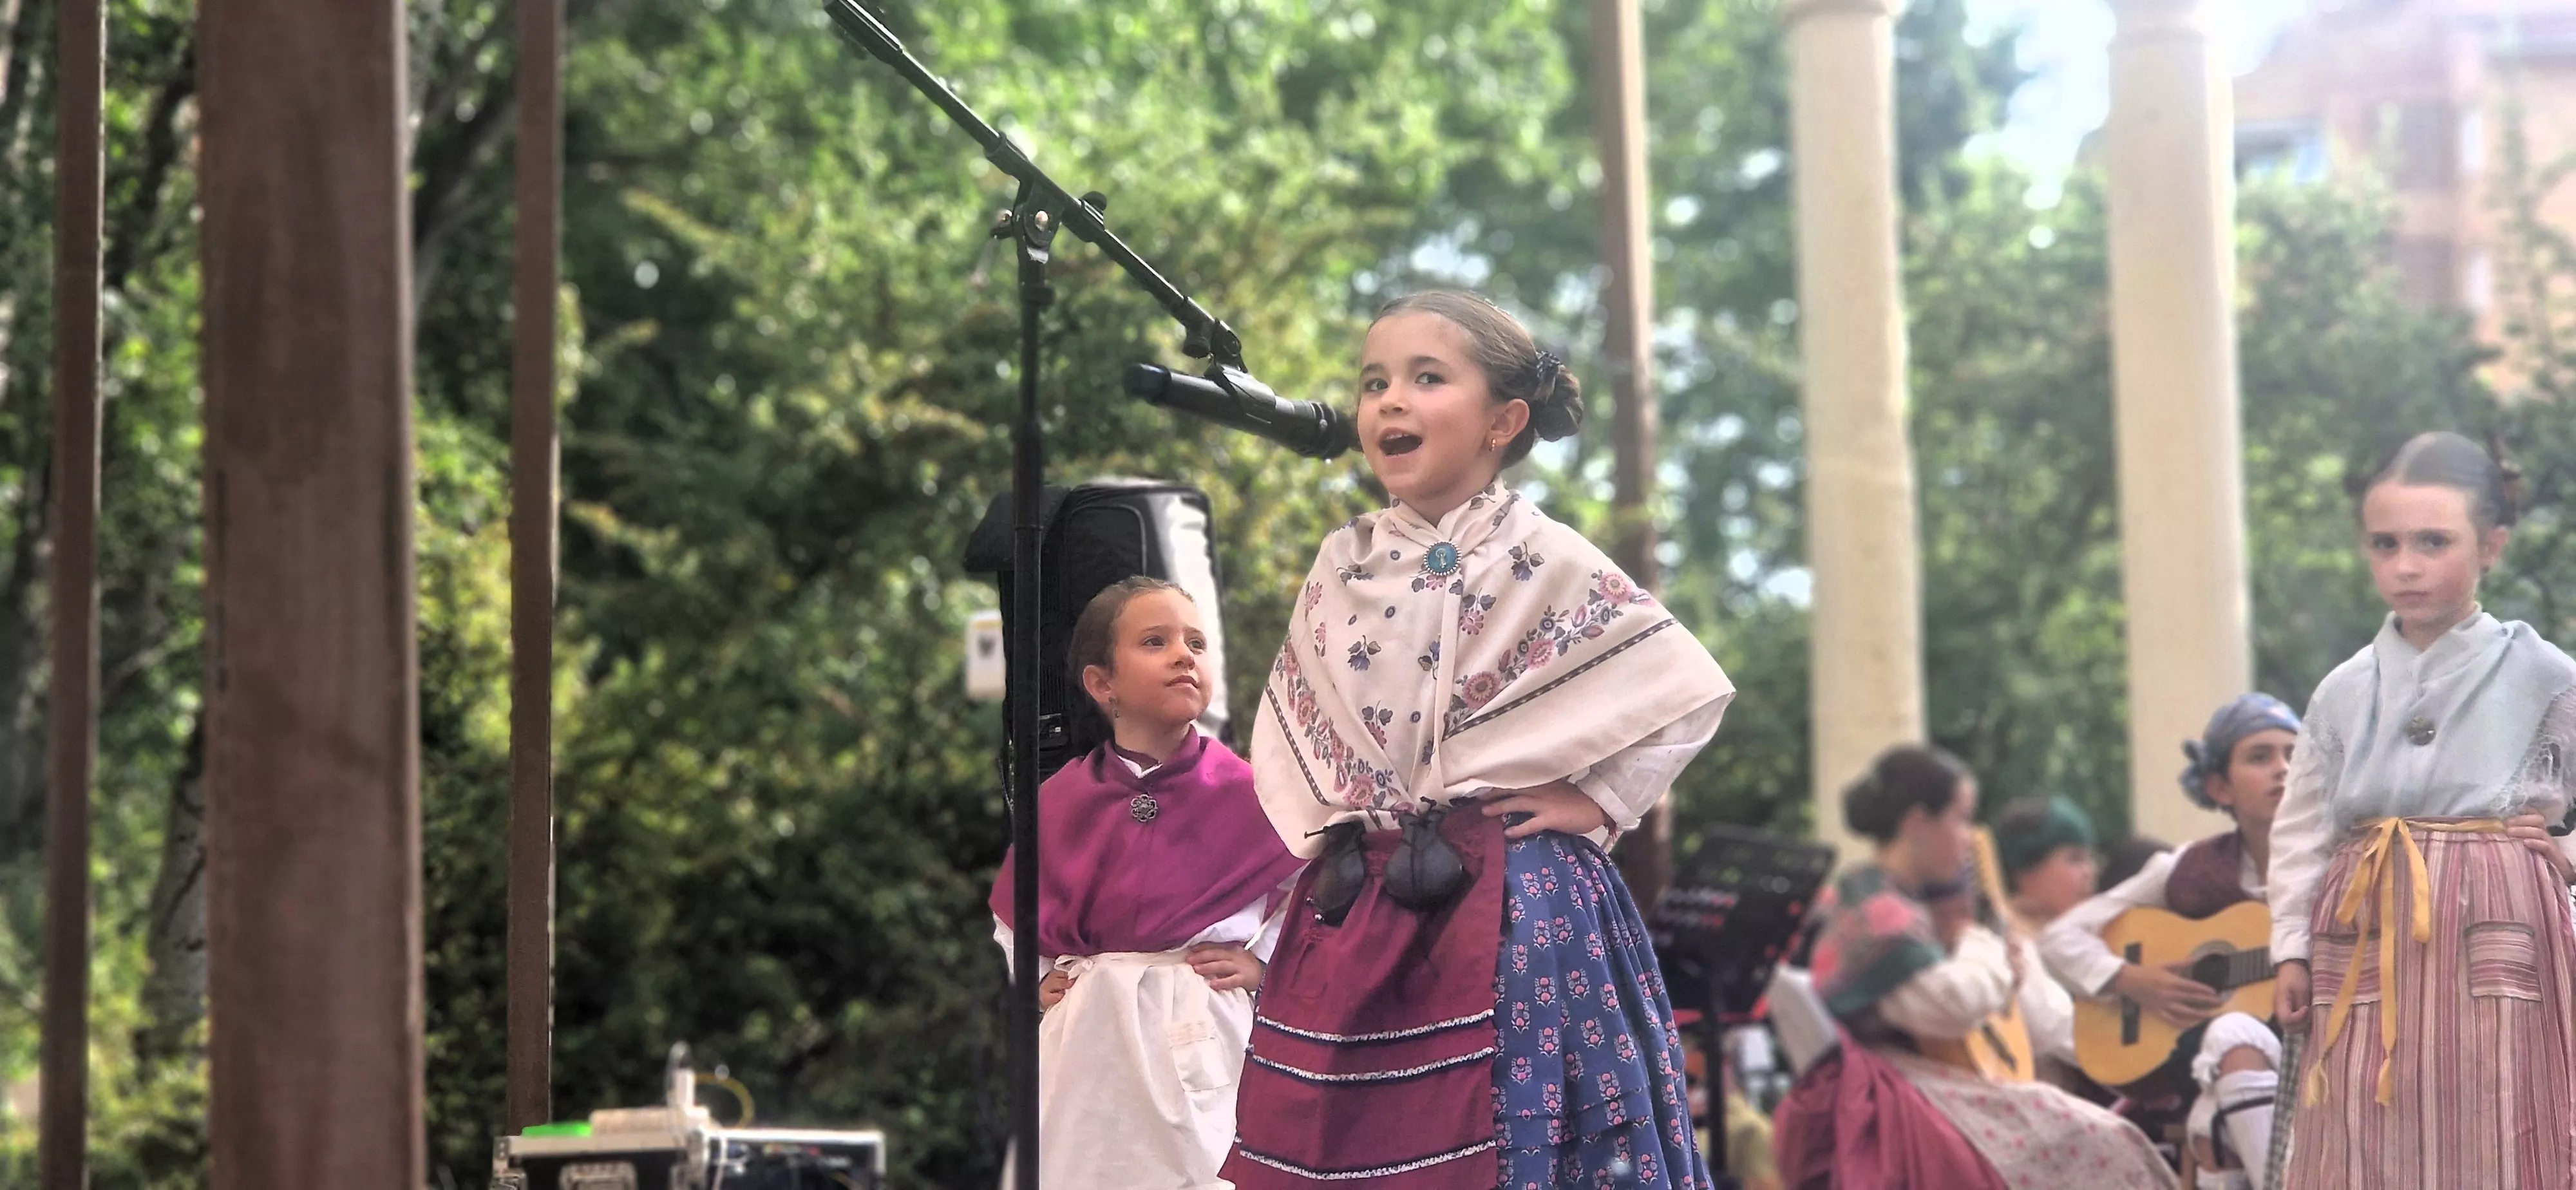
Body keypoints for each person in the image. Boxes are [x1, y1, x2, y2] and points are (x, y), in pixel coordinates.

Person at [1224, 290, 1734, 1189]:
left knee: (1515, 1135)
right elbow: (1296, 738)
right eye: (1375, 381)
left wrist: (1598, 799)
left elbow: (1684, 690)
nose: (1389, 400)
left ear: (1505, 419)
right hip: (1365, 895)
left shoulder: (1548, 556)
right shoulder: (1342, 561)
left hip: (1518, 899)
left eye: (1427, 378)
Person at [2269, 431, 2576, 1187]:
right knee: (2359, 1124)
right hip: (2363, 921)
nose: (2405, 565)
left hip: (2497, 920)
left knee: (2500, 1118)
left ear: (2492, 546)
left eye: (2433, 541)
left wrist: (2569, 853)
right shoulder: (2343, 689)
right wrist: (2288, 947)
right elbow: (2303, 826)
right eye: (2385, 543)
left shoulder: (2544, 675)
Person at [989, 577, 1305, 1190]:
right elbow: (1014, 913)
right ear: (1102, 684)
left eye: (1195, 642)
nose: (1184, 655)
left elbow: (1306, 892)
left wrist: (1265, 964)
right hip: (1088, 1036)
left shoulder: (1253, 791)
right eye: (1155, 642)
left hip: (1200, 1023)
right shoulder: (1061, 800)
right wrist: (1037, 972)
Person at [1775, 746, 2175, 1190]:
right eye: (1960, 819)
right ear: (1917, 823)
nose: (1969, 838)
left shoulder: (1908, 901)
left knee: (2103, 1135)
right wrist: (1986, 947)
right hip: (1889, 1104)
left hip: (1923, 1083)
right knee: (2103, 1144)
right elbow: (1951, 1004)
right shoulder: (1879, 910)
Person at [2040, 694, 2300, 1190]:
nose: (2283, 769)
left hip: (2318, 1056)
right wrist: (2132, 980)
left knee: (2211, 1125)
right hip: (2214, 1058)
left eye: (2293, 754)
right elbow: (2060, 937)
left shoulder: (2342, 864)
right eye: (2260, 756)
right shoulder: (2181, 868)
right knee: (2227, 1039)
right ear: (2219, 787)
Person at [1990, 795, 2098, 1073]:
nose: (2090, 872)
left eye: (2089, 859)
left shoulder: (2075, 934)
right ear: (2025, 871)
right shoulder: (2011, 939)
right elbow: (2056, 1028)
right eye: (2074, 859)